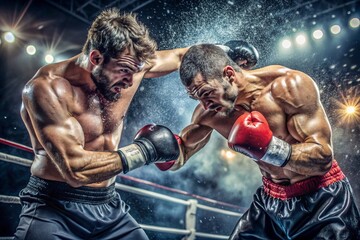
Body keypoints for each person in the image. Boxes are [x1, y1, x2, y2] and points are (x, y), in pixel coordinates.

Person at [14, 8, 188, 240]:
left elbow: (180, 56)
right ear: (95, 58)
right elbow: (75, 169)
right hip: (53, 208)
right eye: (124, 71)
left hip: (109, 206)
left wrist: (221, 54)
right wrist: (143, 152)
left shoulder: (131, 66)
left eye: (135, 71)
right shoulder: (47, 89)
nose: (130, 81)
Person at [163, 43, 360, 239]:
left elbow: (323, 158)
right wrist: (155, 150)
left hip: (323, 200)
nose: (205, 104)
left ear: (229, 74)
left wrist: (270, 148)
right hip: (270, 202)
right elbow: (180, 155)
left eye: (206, 93)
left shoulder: (289, 86)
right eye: (196, 97)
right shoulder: (209, 112)